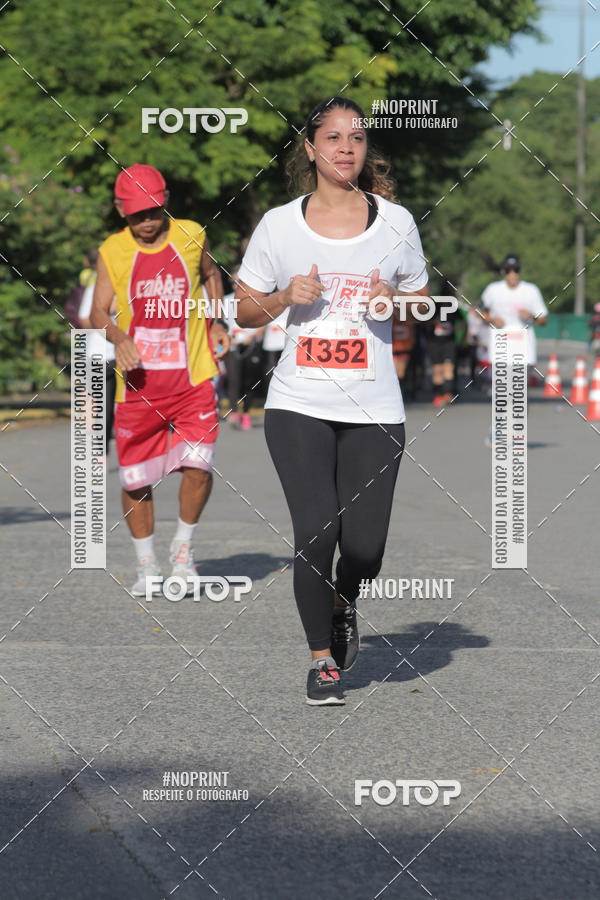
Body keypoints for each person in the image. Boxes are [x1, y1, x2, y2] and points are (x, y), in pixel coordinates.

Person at [234, 97, 429, 706]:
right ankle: (323, 661)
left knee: (365, 550)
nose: (347, 147)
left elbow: (422, 306)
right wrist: (286, 295)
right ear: (311, 147)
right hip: (298, 402)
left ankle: (344, 600)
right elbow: (240, 310)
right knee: (317, 531)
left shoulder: (396, 222)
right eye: (334, 136)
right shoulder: (278, 225)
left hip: (374, 406)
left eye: (358, 138)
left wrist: (390, 305)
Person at [90, 163, 229, 596]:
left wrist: (218, 321)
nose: (146, 222)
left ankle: (183, 553)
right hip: (137, 385)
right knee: (135, 480)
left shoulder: (192, 234)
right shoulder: (112, 251)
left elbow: (210, 276)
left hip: (193, 378)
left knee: (199, 466)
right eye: (136, 215)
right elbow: (97, 312)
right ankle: (146, 565)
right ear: (119, 211)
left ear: (165, 201)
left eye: (152, 212)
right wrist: (117, 336)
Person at [78, 253, 117, 457]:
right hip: (99, 355)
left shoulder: (130, 288)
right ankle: (100, 451)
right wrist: (105, 315)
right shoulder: (95, 289)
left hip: (126, 354)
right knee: (103, 405)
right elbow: (84, 320)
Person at [480, 254, 548, 370]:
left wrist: (532, 316)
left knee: (518, 386)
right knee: (502, 386)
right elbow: (479, 312)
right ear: (503, 272)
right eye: (508, 270)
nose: (512, 274)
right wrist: (492, 319)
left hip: (523, 348)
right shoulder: (493, 289)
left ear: (519, 271)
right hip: (500, 348)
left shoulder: (531, 290)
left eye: (516, 270)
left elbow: (543, 320)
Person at [223, 270, 262, 430]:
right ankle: (233, 413)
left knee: (248, 382)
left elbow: (264, 322)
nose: (236, 285)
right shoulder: (225, 301)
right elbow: (219, 323)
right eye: (234, 282)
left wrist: (252, 337)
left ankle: (245, 413)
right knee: (234, 380)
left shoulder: (255, 300)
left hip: (250, 345)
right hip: (232, 346)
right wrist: (227, 337)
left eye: (240, 282)